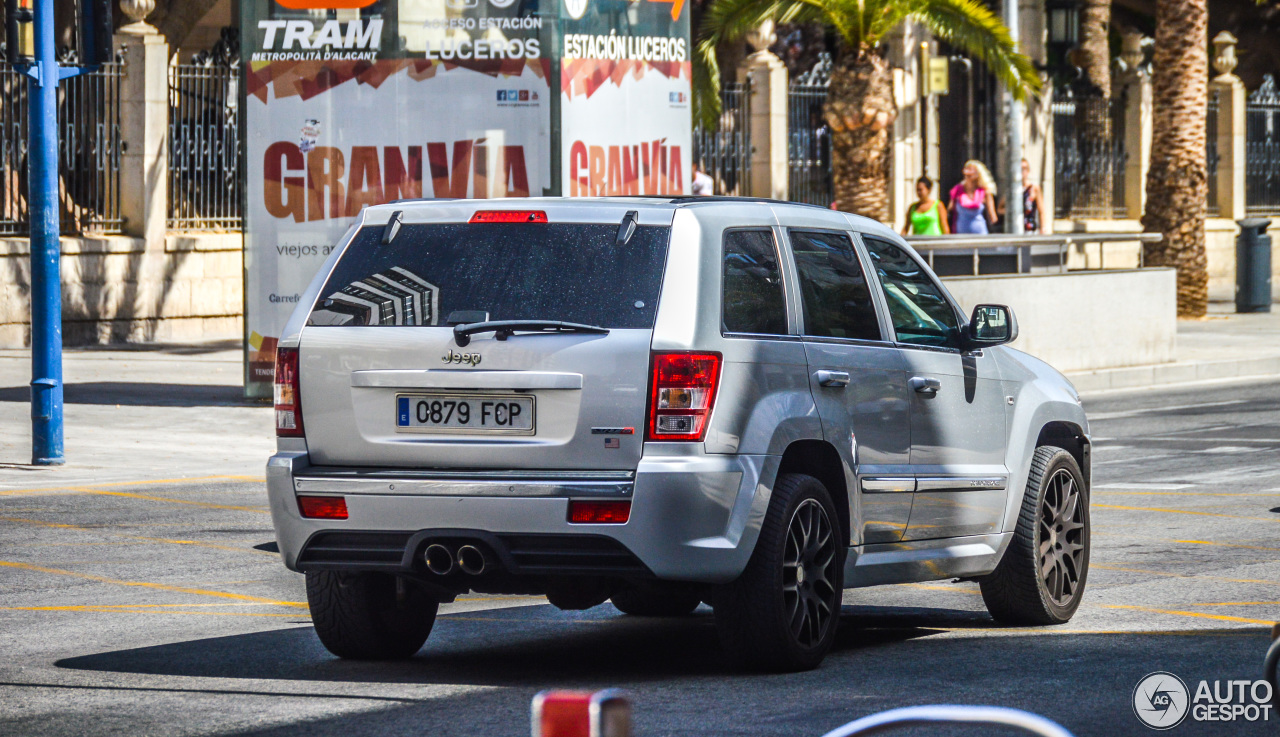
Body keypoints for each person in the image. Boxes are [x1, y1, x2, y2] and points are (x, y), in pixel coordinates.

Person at [948, 160, 998, 234]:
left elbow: (993, 217)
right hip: (961, 235)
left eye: (971, 169)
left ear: (978, 174)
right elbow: (949, 211)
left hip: (980, 233)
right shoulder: (957, 191)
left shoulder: (984, 192)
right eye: (966, 169)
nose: (967, 172)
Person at [1021, 158, 1048, 235]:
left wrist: (1043, 228)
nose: (1022, 171)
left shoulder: (1034, 189)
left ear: (1028, 170)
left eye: (1025, 168)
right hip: (1016, 228)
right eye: (1020, 169)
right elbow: (1000, 208)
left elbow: (1041, 211)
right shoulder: (1014, 190)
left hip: (1029, 229)